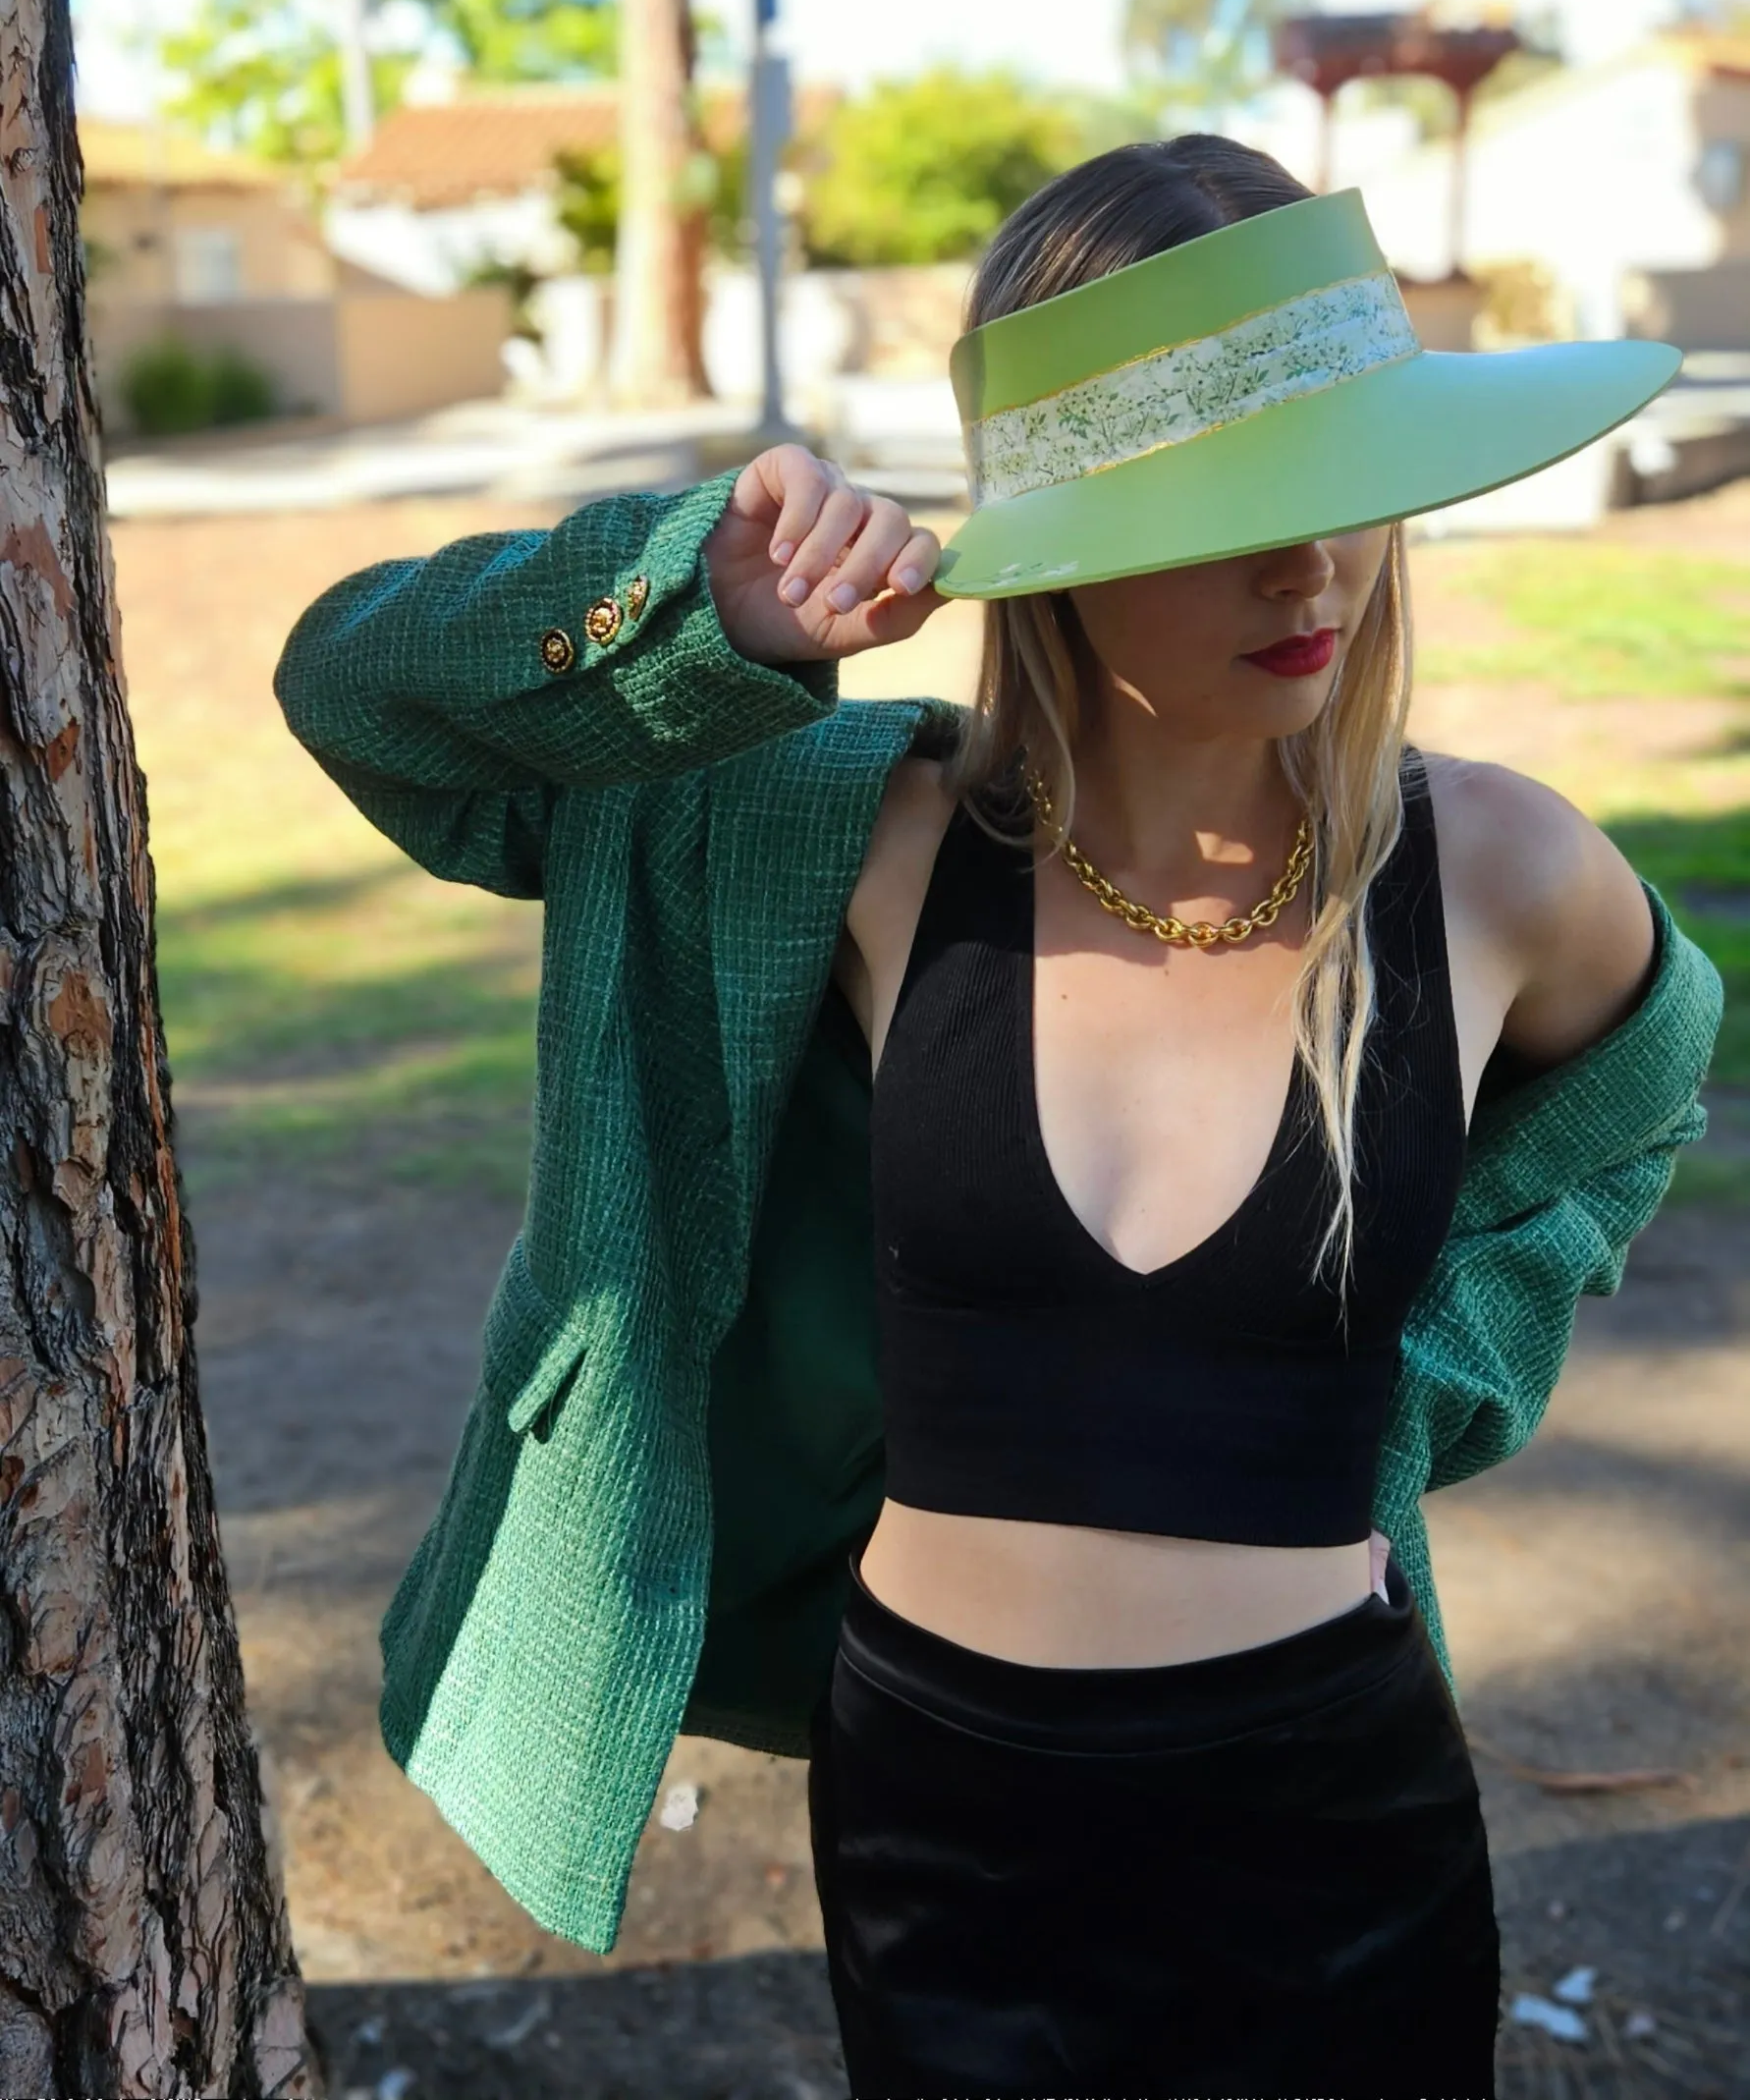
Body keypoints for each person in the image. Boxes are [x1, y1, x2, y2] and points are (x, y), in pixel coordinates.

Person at [275, 137, 1721, 2097]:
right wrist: (692, 605)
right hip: (945, 1816)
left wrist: (1425, 1358)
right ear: (1064, 540)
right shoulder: (851, 835)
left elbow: (1639, 1103)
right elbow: (360, 697)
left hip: (1331, 1813)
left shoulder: (1497, 873)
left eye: (1349, 488)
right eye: (1233, 505)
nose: (1311, 567)